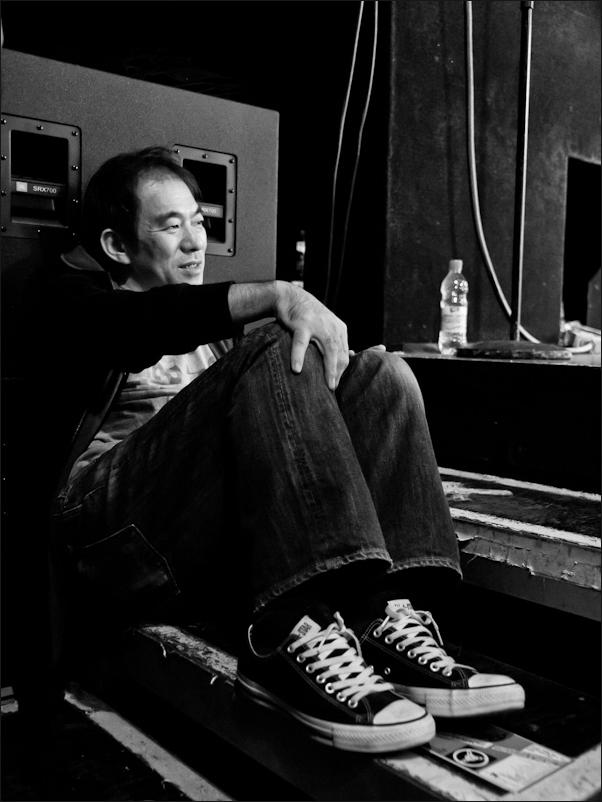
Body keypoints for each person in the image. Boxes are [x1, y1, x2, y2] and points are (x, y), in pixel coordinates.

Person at [45, 146, 524, 754]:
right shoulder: (73, 303)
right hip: (110, 540)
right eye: (170, 226)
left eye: (199, 221)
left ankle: (383, 616)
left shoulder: (216, 341)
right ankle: (282, 633)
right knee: (278, 343)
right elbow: (139, 323)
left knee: (383, 373)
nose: (195, 243)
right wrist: (277, 295)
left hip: (198, 537)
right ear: (117, 246)